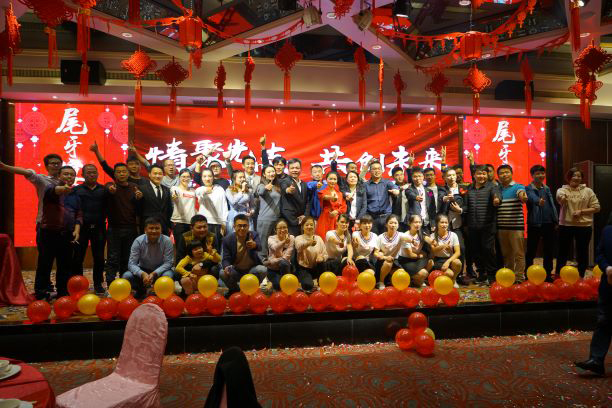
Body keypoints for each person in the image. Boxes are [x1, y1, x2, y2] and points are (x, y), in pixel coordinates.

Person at [0, 154, 62, 298]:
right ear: (46, 166)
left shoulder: (66, 180)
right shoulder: (42, 180)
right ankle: (42, 290)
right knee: (45, 260)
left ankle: (60, 290)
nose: (56, 165)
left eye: (58, 163)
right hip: (44, 225)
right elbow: (26, 172)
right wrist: (4, 167)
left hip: (63, 227)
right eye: (52, 163)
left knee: (62, 261)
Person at [574, 213, 612, 377]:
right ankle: (596, 360)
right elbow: (599, 254)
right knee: (604, 321)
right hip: (608, 284)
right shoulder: (607, 230)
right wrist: (607, 268)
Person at [39, 166, 82, 298]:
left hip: (67, 234)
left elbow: (79, 214)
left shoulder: (75, 195)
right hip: (49, 233)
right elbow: (54, 191)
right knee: (45, 264)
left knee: (65, 265)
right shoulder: (50, 188)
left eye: (72, 175)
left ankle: (62, 292)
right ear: (59, 176)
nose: (69, 177)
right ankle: (41, 292)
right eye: (66, 174)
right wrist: (62, 189)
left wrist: (77, 230)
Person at [556, 167, 601, 278]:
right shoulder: (562, 190)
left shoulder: (588, 191)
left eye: (579, 176)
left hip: (584, 226)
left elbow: (597, 207)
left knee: (582, 252)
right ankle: (558, 275)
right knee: (562, 251)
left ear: (581, 178)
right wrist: (563, 198)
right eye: (574, 175)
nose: (576, 178)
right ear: (569, 177)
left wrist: (581, 212)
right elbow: (560, 199)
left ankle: (581, 275)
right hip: (565, 225)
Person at [104, 163, 142, 287]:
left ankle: (125, 284)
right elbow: (107, 189)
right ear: (114, 174)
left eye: (124, 171)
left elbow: (138, 208)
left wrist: (139, 198)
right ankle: (110, 285)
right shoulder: (111, 186)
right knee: (112, 258)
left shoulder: (134, 187)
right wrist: (110, 190)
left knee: (128, 258)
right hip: (114, 229)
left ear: (128, 173)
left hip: (131, 228)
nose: (121, 174)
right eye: (119, 172)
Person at [463, 165, 501, 284]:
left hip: (487, 226)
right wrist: (460, 209)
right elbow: (466, 206)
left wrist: (497, 200)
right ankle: (481, 273)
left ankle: (491, 275)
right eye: (479, 173)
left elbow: (497, 195)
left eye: (484, 173)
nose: (482, 176)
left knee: (488, 249)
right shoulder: (469, 188)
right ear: (474, 175)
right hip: (472, 225)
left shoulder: (492, 187)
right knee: (476, 250)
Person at [72, 164, 107, 294]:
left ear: (97, 174)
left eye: (94, 172)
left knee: (99, 258)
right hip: (81, 229)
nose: (92, 174)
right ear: (83, 175)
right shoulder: (76, 190)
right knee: (78, 257)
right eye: (88, 172)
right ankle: (79, 284)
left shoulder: (104, 190)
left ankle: (98, 284)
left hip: (99, 228)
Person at [123, 217, 174, 299]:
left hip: (160, 271)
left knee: (168, 275)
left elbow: (169, 263)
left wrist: (154, 273)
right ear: (145, 230)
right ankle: (141, 291)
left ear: (161, 230)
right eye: (151, 228)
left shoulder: (167, 241)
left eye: (157, 228)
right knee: (127, 276)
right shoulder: (138, 241)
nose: (154, 231)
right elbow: (131, 264)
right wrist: (142, 274)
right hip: (143, 271)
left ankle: (159, 294)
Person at [221, 214, 267, 296]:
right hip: (236, 270)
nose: (242, 228)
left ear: (248, 226)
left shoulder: (253, 235)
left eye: (245, 226)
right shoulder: (227, 239)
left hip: (251, 270)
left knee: (262, 270)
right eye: (239, 226)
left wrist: (254, 245)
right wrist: (226, 266)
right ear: (234, 226)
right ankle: (234, 290)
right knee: (222, 273)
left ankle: (252, 289)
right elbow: (226, 258)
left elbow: (259, 247)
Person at [525, 165, 558, 280]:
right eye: (537, 173)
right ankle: (528, 274)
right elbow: (531, 197)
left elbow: (552, 205)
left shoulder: (547, 188)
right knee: (531, 250)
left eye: (542, 173)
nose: (540, 175)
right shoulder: (528, 188)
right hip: (535, 223)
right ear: (532, 175)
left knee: (548, 250)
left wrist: (555, 220)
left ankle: (547, 274)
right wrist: (539, 201)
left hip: (549, 223)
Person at [496, 164, 528, 280]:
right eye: (501, 173)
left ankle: (519, 277)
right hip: (501, 227)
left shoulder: (518, 186)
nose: (504, 175)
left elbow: (521, 194)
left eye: (507, 172)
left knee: (519, 254)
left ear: (511, 173)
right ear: (498, 176)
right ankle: (510, 276)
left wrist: (523, 197)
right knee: (506, 254)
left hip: (516, 228)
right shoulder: (498, 189)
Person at [438, 167, 467, 284]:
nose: (452, 177)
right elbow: (440, 197)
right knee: (444, 249)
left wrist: (460, 210)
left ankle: (459, 275)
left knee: (461, 249)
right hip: (445, 225)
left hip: (459, 225)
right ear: (444, 178)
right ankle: (445, 273)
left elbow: (468, 205)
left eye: (453, 175)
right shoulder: (442, 189)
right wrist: (445, 198)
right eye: (449, 175)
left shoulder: (463, 189)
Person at [374, 214, 413, 288]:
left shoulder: (400, 235)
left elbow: (409, 238)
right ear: (386, 224)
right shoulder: (380, 237)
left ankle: (389, 278)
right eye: (391, 223)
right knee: (388, 263)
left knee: (402, 275)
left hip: (395, 261)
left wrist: (411, 240)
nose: (393, 225)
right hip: (383, 261)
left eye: (395, 223)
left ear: (398, 225)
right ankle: (381, 282)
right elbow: (375, 252)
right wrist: (384, 257)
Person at [195, 168, 228, 251]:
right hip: (204, 224)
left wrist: (224, 222)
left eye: (209, 176)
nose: (207, 178)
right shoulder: (200, 189)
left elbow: (224, 206)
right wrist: (206, 190)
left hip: (217, 223)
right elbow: (199, 193)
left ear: (213, 177)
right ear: (201, 178)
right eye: (204, 176)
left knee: (216, 249)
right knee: (203, 248)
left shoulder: (219, 189)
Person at [364, 161, 399, 234]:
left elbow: (394, 187)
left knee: (386, 239)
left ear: (382, 171)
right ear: (370, 171)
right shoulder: (366, 185)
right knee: (374, 239)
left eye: (379, 169)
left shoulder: (387, 182)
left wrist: (396, 190)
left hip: (386, 217)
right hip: (372, 218)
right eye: (374, 169)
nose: (377, 171)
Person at [294, 216, 328, 292]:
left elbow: (325, 254)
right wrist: (309, 243)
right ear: (302, 227)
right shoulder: (298, 238)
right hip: (304, 269)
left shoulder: (318, 238)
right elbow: (299, 247)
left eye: (311, 225)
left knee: (323, 263)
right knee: (308, 285)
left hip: (317, 267)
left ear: (314, 226)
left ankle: (321, 284)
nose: (309, 227)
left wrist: (322, 258)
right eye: (307, 225)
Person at [255, 165, 281, 259]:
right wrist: (265, 188)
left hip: (276, 219)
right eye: (268, 172)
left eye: (273, 171)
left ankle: (272, 262)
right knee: (263, 244)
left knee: (273, 244)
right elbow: (260, 192)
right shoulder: (261, 185)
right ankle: (261, 262)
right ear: (264, 174)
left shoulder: (276, 186)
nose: (271, 173)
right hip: (265, 219)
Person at [397, 214, 430, 288]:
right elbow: (410, 255)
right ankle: (414, 279)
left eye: (419, 222)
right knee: (424, 273)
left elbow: (429, 240)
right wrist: (420, 255)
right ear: (410, 223)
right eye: (415, 222)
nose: (418, 224)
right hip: (406, 260)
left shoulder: (421, 233)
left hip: (416, 259)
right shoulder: (406, 235)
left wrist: (434, 242)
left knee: (430, 262)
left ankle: (417, 280)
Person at [139, 164, 173, 236]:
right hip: (149, 227)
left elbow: (169, 209)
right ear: (149, 174)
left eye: (160, 174)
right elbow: (138, 208)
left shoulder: (166, 190)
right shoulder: (142, 189)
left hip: (163, 227)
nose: (157, 176)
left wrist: (170, 226)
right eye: (155, 173)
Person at [279, 158, 310, 237]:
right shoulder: (284, 181)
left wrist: (305, 216)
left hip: (303, 221)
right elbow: (284, 189)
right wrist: (288, 190)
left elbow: (307, 201)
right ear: (288, 169)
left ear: (300, 169)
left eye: (297, 168)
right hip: (290, 221)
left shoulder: (304, 184)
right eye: (292, 168)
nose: (295, 170)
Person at [429, 214, 462, 285]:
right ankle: (449, 279)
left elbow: (458, 252)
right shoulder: (432, 236)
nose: (444, 225)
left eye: (446, 222)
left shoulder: (453, 235)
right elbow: (433, 251)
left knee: (458, 262)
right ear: (437, 223)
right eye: (442, 222)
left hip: (449, 258)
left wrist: (448, 261)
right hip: (438, 260)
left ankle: (454, 280)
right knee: (449, 274)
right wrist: (443, 246)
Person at [264, 219, 295, 291]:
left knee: (284, 263)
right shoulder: (271, 238)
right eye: (280, 228)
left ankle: (286, 284)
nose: (283, 230)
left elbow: (287, 257)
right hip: (273, 269)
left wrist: (271, 261)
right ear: (275, 230)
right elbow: (275, 248)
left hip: (285, 268)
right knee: (278, 286)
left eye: (284, 227)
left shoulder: (292, 238)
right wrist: (284, 242)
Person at [315, 172, 346, 238]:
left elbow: (344, 207)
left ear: (337, 180)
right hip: (326, 218)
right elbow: (324, 197)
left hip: (337, 220)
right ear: (326, 180)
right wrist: (331, 197)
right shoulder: (322, 191)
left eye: (335, 179)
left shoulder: (340, 193)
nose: (332, 181)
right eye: (330, 179)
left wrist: (337, 211)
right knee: (324, 238)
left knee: (337, 240)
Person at [406, 167, 436, 234]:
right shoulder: (409, 189)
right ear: (412, 178)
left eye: (419, 176)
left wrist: (433, 223)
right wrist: (416, 197)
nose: (417, 178)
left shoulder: (429, 191)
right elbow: (409, 194)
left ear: (423, 177)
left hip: (427, 222)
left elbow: (432, 207)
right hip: (414, 222)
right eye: (415, 176)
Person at [170, 169, 197, 242]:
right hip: (178, 222)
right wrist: (174, 196)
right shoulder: (175, 188)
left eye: (188, 177)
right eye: (183, 177)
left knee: (190, 246)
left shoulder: (193, 191)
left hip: (191, 223)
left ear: (191, 178)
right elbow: (174, 194)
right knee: (180, 246)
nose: (185, 179)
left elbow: (193, 206)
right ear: (179, 177)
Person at [391, 167, 410, 232]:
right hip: (398, 218)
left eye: (401, 174)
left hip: (409, 217)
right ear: (393, 177)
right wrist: (401, 188)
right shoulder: (392, 189)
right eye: (397, 175)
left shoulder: (409, 186)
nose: (400, 177)